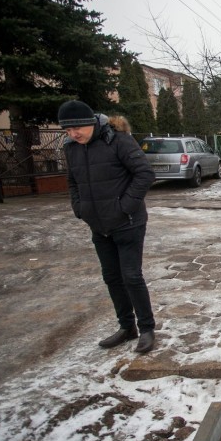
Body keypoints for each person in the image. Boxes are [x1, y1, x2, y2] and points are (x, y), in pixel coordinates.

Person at [59, 101, 157, 353]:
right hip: (98, 225)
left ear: (90, 122)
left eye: (76, 129)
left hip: (129, 223)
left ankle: (146, 329)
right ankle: (127, 327)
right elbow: (72, 181)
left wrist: (124, 207)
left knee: (131, 276)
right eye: (67, 131)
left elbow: (144, 173)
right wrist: (79, 208)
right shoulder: (72, 148)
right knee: (111, 277)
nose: (73, 135)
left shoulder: (118, 140)